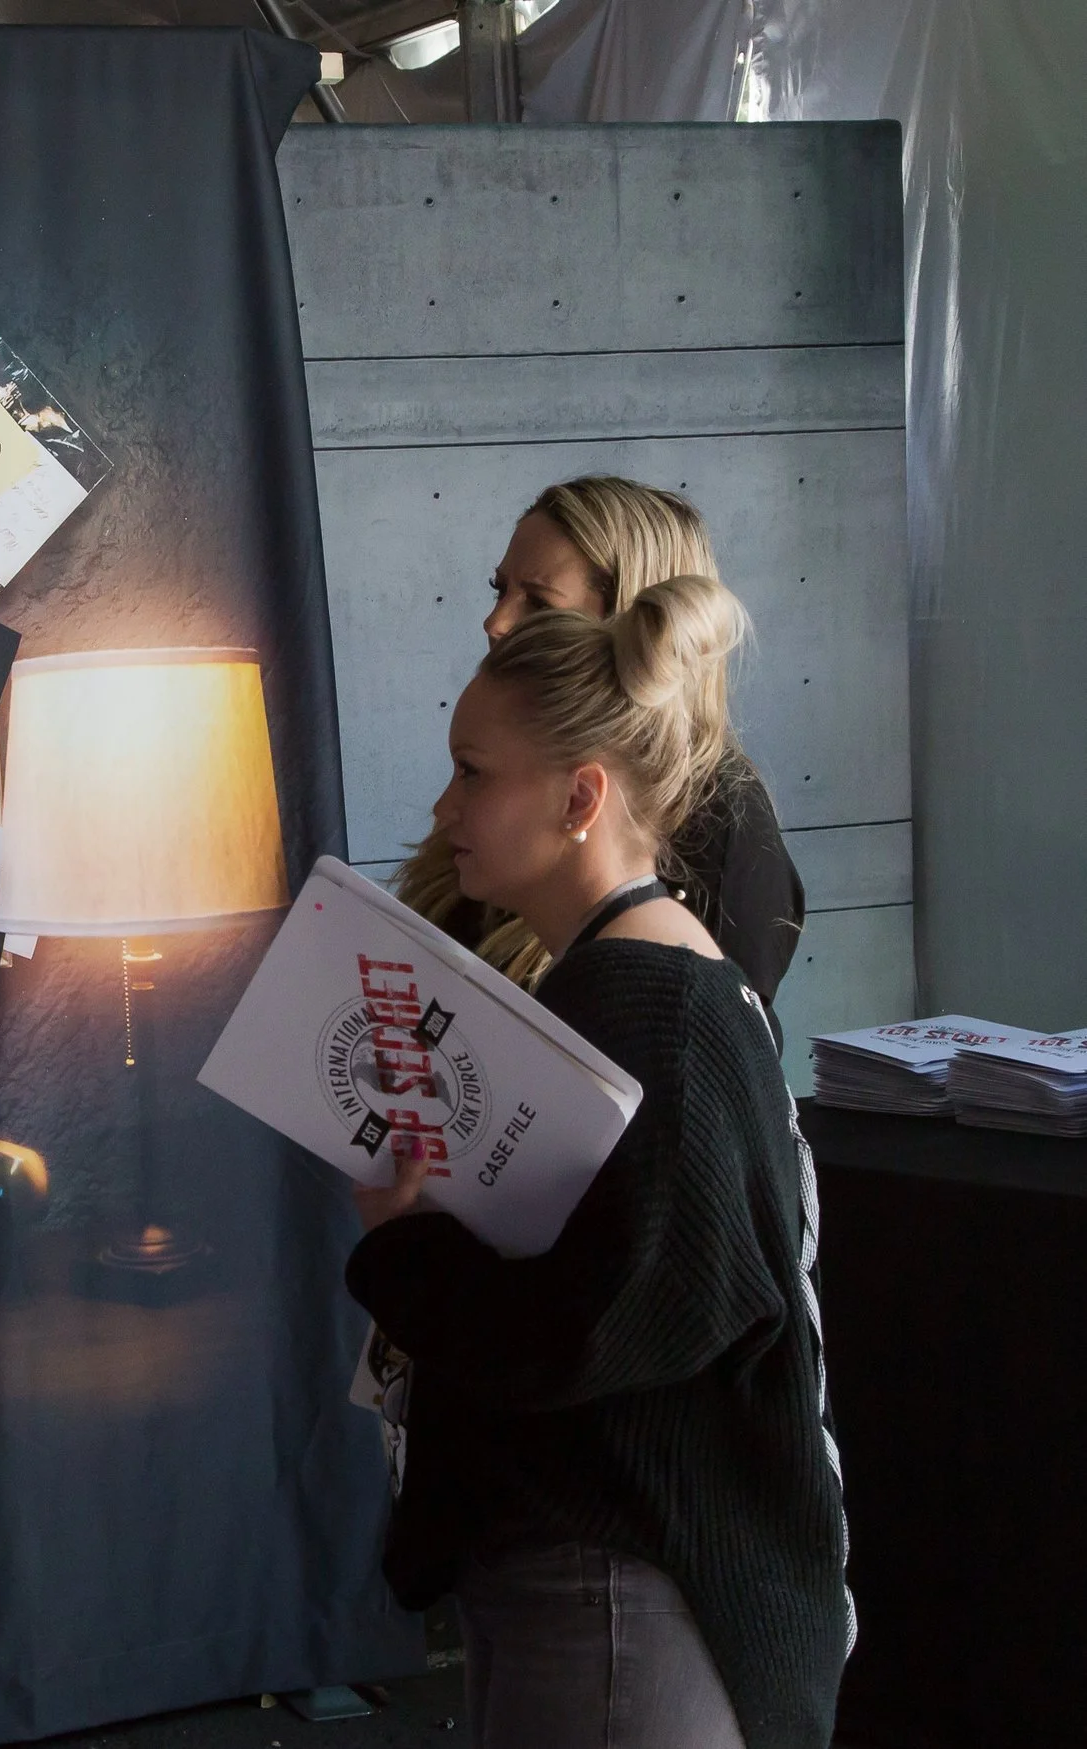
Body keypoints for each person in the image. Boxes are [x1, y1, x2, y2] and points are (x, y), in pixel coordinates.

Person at [345, 575, 851, 1749]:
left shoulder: (648, 1008)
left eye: (474, 771)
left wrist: (404, 1250)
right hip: (607, 1580)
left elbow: (603, 1323)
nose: (444, 802)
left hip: (624, 1594)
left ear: (581, 797)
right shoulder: (631, 984)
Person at [397, 477, 804, 1011]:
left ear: (637, 621)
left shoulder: (720, 821)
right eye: (500, 589)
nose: (495, 622)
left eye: (539, 603)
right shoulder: (518, 773)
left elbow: (704, 1056)